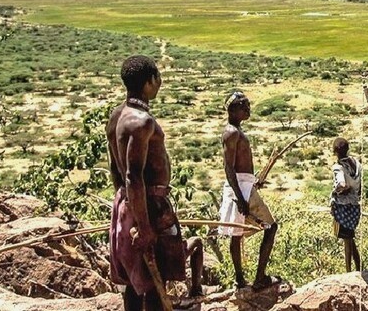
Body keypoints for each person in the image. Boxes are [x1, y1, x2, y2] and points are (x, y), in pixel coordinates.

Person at [107, 55, 203, 311]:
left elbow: (115, 170)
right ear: (149, 82)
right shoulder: (142, 121)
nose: (160, 82)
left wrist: (124, 205)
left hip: (127, 203)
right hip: (148, 206)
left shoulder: (117, 115)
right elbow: (133, 176)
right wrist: (145, 224)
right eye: (158, 77)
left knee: (134, 279)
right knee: (153, 279)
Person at [217, 91, 281, 290]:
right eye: (244, 105)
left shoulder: (234, 131)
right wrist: (241, 197)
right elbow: (229, 167)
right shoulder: (232, 132)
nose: (248, 108)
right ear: (233, 109)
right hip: (240, 188)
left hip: (243, 186)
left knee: (236, 233)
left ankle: (240, 279)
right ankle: (259, 277)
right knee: (271, 226)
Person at [330, 137, 362, 272]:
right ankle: (358, 266)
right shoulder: (357, 163)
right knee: (350, 237)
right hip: (355, 205)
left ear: (335, 151)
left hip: (343, 207)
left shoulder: (339, 167)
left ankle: (348, 271)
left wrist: (336, 192)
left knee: (347, 239)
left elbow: (341, 184)